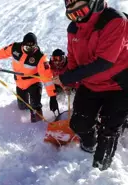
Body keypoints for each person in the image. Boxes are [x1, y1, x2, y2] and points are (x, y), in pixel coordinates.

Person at [53, 0, 128, 170]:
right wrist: (69, 79)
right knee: (78, 123)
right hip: (90, 84)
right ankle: (89, 145)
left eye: (81, 12)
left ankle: (102, 172)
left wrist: (68, 77)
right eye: (72, 15)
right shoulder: (73, 28)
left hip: (118, 85)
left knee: (108, 132)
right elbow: (72, 56)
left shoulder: (114, 20)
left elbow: (104, 63)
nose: (77, 19)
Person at [0, 32, 59, 122]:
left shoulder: (40, 58)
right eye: (27, 47)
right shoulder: (15, 48)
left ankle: (37, 125)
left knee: (35, 107)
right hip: (20, 83)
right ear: (22, 45)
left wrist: (52, 97)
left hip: (34, 83)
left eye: (32, 48)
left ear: (36, 46)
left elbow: (47, 79)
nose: (29, 50)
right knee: (22, 107)